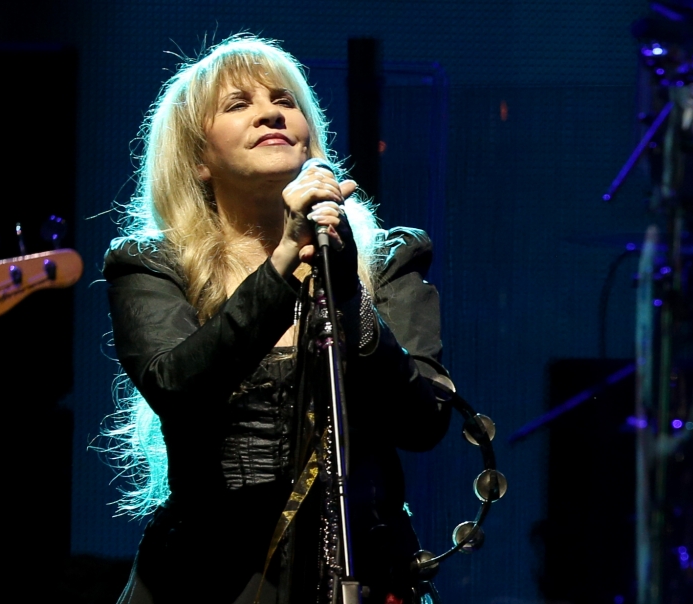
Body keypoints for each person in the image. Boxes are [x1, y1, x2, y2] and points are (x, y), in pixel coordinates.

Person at [102, 34, 452, 604]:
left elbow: (424, 422)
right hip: (207, 578)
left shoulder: (385, 259)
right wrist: (284, 264)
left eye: (285, 101)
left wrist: (345, 297)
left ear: (309, 134)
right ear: (198, 161)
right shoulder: (151, 265)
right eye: (238, 105)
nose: (270, 111)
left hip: (364, 568)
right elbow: (176, 384)